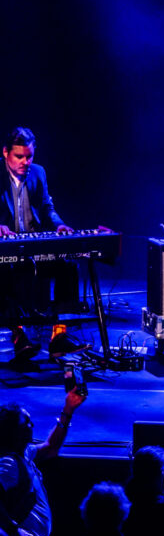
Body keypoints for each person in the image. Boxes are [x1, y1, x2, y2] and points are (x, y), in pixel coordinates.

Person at [0, 126, 76, 364]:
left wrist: (60, 225)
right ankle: (18, 335)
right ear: (5, 153)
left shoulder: (38, 173)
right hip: (6, 249)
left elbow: (47, 208)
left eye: (29, 156)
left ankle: (59, 336)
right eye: (19, 157)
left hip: (34, 244)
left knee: (68, 265)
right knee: (4, 271)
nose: (25, 162)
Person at [0, 389, 85, 536]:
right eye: (27, 423)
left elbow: (50, 447)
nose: (33, 426)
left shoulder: (24, 453)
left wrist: (68, 411)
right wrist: (14, 530)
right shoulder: (8, 464)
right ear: (14, 431)